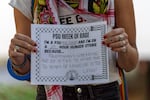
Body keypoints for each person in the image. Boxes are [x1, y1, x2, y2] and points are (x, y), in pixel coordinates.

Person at [7, 0, 139, 100]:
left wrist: (124, 48)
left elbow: (130, 64)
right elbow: (30, 72)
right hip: (51, 94)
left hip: (104, 92)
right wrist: (19, 61)